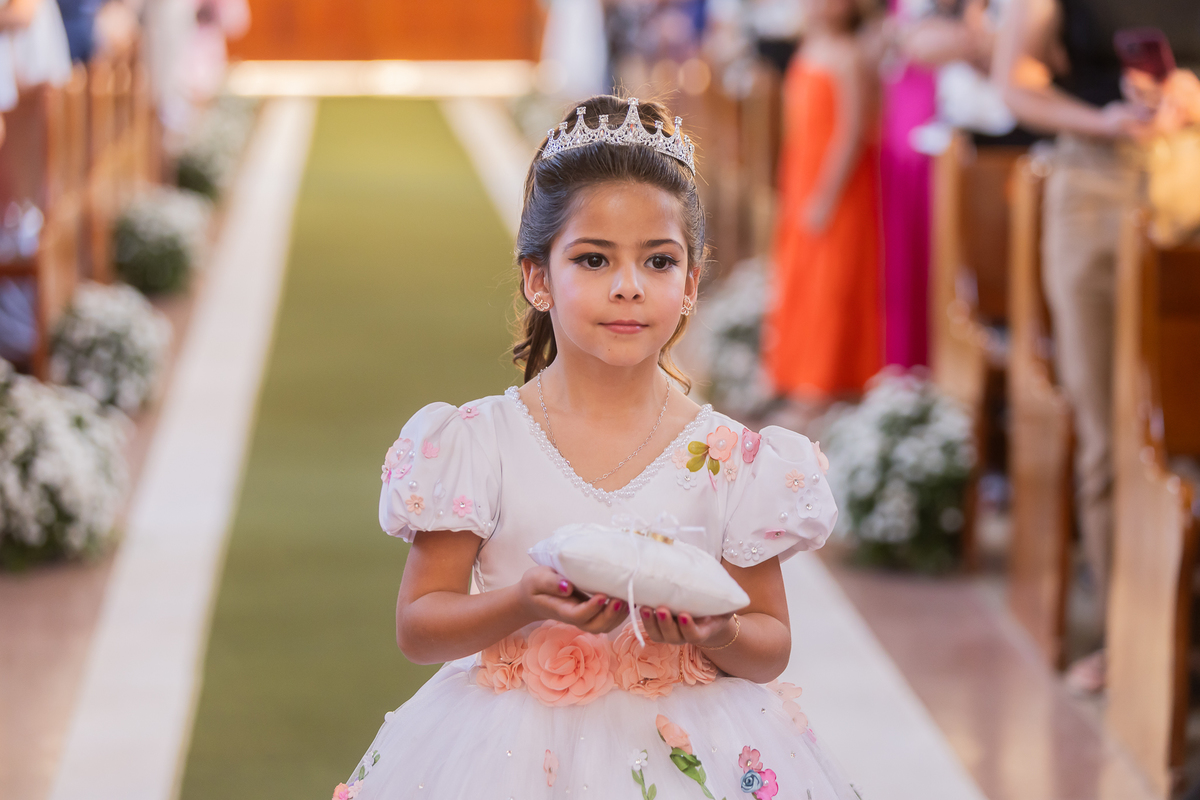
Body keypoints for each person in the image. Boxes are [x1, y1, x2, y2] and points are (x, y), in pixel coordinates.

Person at [333, 95, 858, 799]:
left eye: (659, 261)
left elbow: (770, 645)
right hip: (510, 757)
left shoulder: (731, 457)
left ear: (691, 283)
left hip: (690, 746)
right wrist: (524, 602)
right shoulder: (480, 442)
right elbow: (420, 625)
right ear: (537, 278)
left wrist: (716, 631)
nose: (629, 287)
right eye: (593, 259)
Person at [993, 0, 1199, 692]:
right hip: (1096, 182)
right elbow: (1014, 82)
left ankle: (1185, 628)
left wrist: (1190, 93)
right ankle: (1127, 635)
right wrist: (1103, 119)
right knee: (1111, 425)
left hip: (1192, 173)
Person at [764, 0, 883, 412]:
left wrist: (827, 195)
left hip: (836, 186)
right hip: (802, 176)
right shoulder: (808, 47)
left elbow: (853, 131)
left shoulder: (850, 56)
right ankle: (791, 373)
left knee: (831, 282)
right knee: (797, 275)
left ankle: (824, 382)